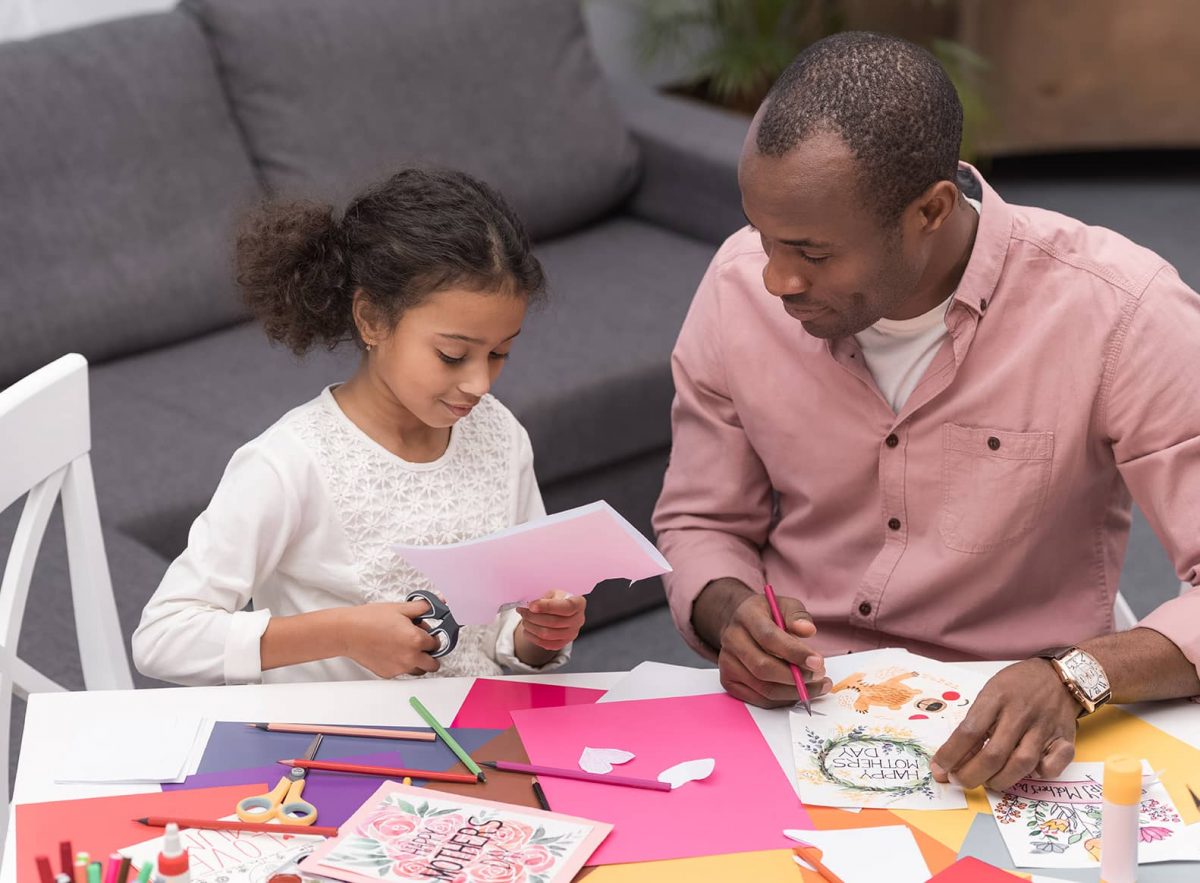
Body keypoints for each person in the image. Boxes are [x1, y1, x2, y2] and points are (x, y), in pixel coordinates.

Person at [653, 31, 1200, 793]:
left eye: (811, 253)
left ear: (931, 211)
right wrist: (730, 612)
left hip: (1024, 727)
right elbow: (701, 523)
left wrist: (1076, 676)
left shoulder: (1121, 312)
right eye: (761, 234)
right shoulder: (737, 284)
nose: (774, 278)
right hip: (798, 719)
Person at [133, 167, 586, 686]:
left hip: (472, 736)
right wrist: (344, 633)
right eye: (452, 354)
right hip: (329, 749)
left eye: (500, 353)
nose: (480, 384)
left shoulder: (499, 435)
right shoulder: (290, 464)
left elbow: (505, 626)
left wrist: (538, 637)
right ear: (372, 319)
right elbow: (163, 637)